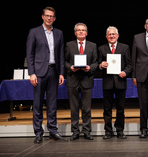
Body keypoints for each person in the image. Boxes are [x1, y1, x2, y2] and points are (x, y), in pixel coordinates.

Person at [26, 7, 66, 143]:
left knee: (52, 104)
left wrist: (61, 72)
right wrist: (31, 73)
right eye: (47, 16)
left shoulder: (59, 33)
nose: (49, 18)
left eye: (52, 16)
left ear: (54, 18)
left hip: (53, 72)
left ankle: (53, 131)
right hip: (39, 72)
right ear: (42, 17)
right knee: (37, 103)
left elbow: (60, 54)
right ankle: (38, 132)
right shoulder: (34, 32)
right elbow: (29, 54)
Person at [65, 23, 98, 141]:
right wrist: (70, 67)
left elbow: (96, 62)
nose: (81, 32)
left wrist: (90, 68)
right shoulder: (69, 45)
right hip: (72, 79)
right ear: (75, 33)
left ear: (87, 33)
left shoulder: (92, 46)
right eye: (78, 30)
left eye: (83, 30)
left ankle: (87, 131)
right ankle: (75, 131)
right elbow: (64, 61)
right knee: (73, 108)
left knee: (86, 108)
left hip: (86, 79)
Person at [99, 26, 132, 139]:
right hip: (107, 82)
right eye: (109, 34)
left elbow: (130, 65)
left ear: (117, 36)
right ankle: (108, 131)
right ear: (106, 36)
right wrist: (101, 65)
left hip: (120, 81)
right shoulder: (101, 49)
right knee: (107, 109)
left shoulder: (125, 47)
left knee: (120, 109)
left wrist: (125, 72)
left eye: (114, 34)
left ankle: (120, 130)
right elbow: (97, 64)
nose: (112, 36)